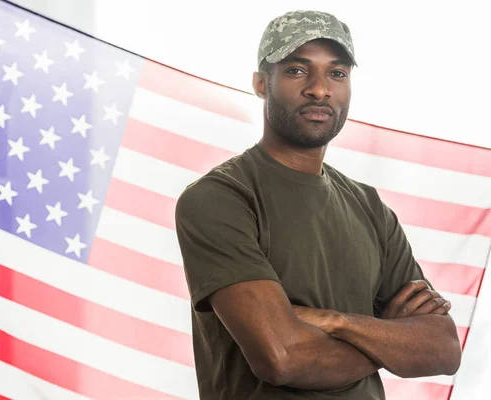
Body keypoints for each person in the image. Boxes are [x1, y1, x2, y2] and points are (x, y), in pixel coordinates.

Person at [174, 10, 462, 400]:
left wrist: (336, 322)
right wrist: (387, 337)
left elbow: (442, 348)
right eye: (297, 70)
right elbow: (283, 357)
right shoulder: (221, 198)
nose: (320, 89)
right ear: (261, 83)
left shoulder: (370, 208)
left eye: (337, 73)